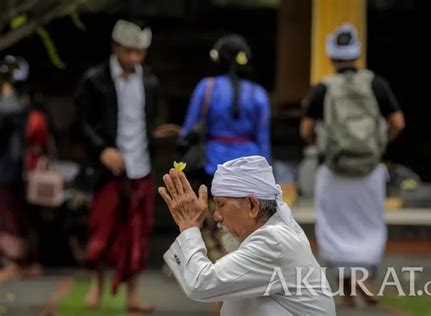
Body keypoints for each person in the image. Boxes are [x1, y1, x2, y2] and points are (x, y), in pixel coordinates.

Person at [300, 23, 405, 306]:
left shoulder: (323, 88)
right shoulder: (376, 84)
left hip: (333, 169)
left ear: (332, 56)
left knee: (334, 224)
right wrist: (380, 142)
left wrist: (318, 143)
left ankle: (347, 284)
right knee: (368, 223)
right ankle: (361, 279)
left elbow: (306, 129)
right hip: (369, 169)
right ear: (357, 54)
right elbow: (398, 122)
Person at [159, 156, 336, 315]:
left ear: (252, 205)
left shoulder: (274, 241)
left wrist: (189, 227)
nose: (216, 216)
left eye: (221, 205)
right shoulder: (274, 233)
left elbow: (202, 283)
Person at [75, 19, 169, 313]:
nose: (134, 58)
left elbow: (147, 120)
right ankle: (95, 287)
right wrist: (102, 150)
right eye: (129, 51)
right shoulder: (95, 80)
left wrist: (155, 135)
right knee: (102, 230)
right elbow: (81, 123)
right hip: (108, 169)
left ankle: (133, 294)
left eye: (139, 53)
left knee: (138, 233)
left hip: (140, 165)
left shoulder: (149, 81)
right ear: (116, 48)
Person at [179, 34, 271, 188]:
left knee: (215, 211)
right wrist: (267, 175)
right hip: (249, 168)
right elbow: (263, 140)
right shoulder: (258, 94)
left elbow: (188, 129)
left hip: (212, 165)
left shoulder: (206, 87)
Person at [0, 55, 43, 282]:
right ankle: (25, 262)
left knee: (11, 217)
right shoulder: (18, 102)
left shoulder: (16, 102)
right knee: (18, 216)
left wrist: (7, 90)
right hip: (13, 166)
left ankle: (14, 263)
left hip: (11, 167)